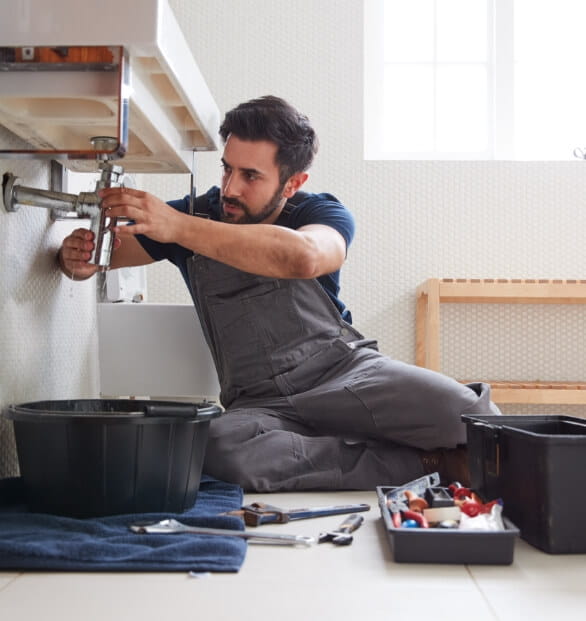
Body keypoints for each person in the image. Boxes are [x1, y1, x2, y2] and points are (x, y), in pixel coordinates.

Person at [58, 95, 498, 492]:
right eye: (227, 168)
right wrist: (76, 257)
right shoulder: (199, 214)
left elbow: (307, 256)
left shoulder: (320, 211)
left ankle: (343, 447)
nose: (230, 189)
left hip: (345, 374)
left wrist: (180, 227)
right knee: (216, 448)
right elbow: (103, 257)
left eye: (251, 176)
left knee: (471, 417)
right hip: (258, 402)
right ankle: (424, 461)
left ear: (292, 182)